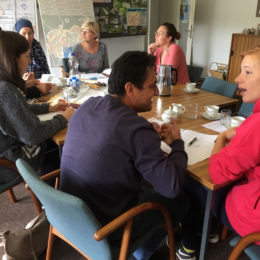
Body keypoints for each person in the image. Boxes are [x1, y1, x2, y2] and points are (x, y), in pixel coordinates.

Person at [60, 51, 189, 259]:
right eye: (151, 85)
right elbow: (171, 186)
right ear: (129, 88)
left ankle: (142, 247)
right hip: (106, 229)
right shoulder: (136, 130)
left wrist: (145, 132)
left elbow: (114, 132)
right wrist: (177, 144)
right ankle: (143, 250)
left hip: (69, 216)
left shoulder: (88, 106)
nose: (155, 91)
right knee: (182, 196)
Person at [176, 46, 260, 260]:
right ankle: (211, 229)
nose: (237, 78)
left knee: (187, 180)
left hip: (252, 220)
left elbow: (217, 173)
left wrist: (222, 138)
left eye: (248, 72)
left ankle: (189, 245)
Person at [0, 29, 74, 187]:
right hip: (10, 159)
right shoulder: (5, 89)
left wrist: (49, 107)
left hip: (7, 148)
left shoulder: (4, 81)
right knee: (57, 145)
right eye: (26, 56)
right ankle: (48, 199)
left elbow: (18, 109)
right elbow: (33, 134)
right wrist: (62, 118)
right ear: (12, 58)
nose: (29, 60)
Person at [15, 18, 51, 98]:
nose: (27, 37)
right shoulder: (15, 49)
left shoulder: (37, 46)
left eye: (30, 33)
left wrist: (46, 81)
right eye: (23, 33)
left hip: (41, 83)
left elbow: (45, 67)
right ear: (18, 34)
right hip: (24, 87)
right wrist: (24, 80)